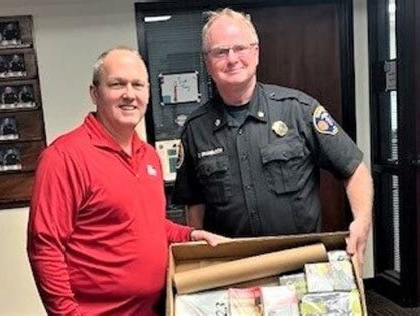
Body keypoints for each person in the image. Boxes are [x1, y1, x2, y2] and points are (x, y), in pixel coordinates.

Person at [27, 47, 226, 315]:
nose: (129, 94)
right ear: (95, 94)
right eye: (117, 84)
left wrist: (188, 234)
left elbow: (144, 224)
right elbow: (45, 247)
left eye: (137, 85)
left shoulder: (148, 156)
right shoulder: (64, 158)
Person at [173, 8, 373, 268]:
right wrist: (200, 260)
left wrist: (362, 222)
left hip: (300, 265)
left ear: (256, 52)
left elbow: (353, 168)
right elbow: (195, 206)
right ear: (207, 61)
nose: (232, 59)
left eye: (240, 48)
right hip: (233, 271)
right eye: (220, 51)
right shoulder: (195, 129)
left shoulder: (299, 110)